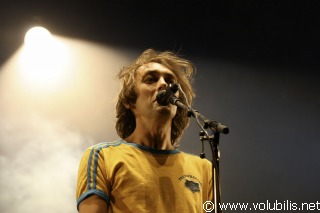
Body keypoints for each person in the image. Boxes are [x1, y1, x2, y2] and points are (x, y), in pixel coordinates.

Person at [76, 48, 212, 212]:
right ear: (130, 101)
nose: (163, 85)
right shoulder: (102, 156)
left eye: (170, 81)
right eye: (151, 80)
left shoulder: (204, 169)